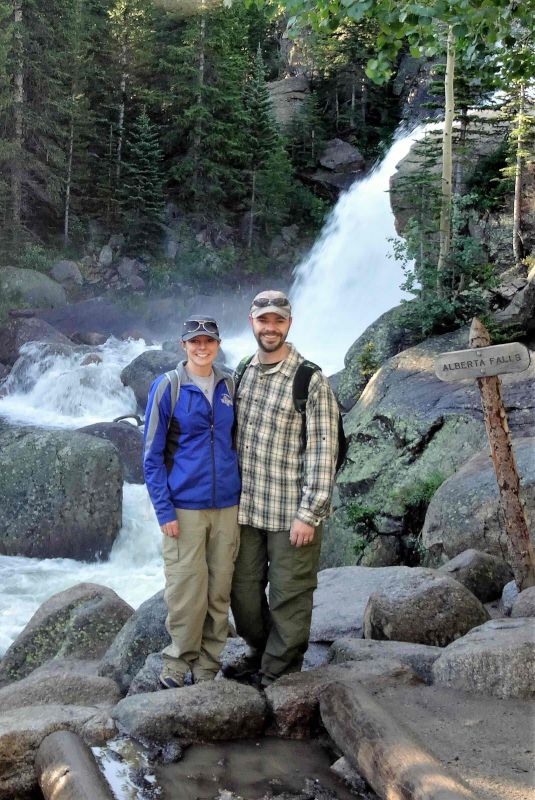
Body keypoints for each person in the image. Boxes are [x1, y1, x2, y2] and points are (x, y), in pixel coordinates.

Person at [228, 290, 339, 687]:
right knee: (242, 593)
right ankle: (261, 653)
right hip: (246, 509)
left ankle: (279, 674)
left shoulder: (310, 379)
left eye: (278, 320)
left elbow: (324, 449)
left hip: (291, 512)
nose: (270, 328)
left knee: (289, 595)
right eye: (264, 320)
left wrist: (310, 513)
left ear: (289, 323)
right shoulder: (243, 371)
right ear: (252, 321)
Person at [143, 316, 240, 688]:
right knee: (186, 589)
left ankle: (208, 665)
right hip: (184, 506)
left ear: (217, 345)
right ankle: (177, 663)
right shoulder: (168, 387)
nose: (202, 348)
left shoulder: (229, 384)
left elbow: (235, 443)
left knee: (219, 589)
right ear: (183, 345)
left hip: (227, 505)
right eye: (194, 342)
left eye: (209, 342)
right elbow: (151, 456)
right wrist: (164, 510)